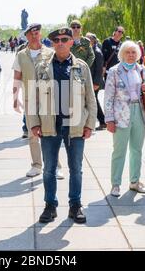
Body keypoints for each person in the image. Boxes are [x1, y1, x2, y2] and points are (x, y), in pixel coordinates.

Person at [29, 27, 97, 224]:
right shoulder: (41, 66)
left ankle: (75, 205)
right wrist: (33, 123)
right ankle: (50, 206)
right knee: (49, 168)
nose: (60, 42)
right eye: (56, 39)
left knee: (76, 168)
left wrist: (90, 125)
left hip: (75, 125)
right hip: (50, 124)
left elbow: (91, 100)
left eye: (64, 39)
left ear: (71, 42)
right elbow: (32, 97)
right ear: (51, 43)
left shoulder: (81, 66)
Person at [12, 23, 63, 179]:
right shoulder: (21, 55)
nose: (34, 36)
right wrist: (15, 99)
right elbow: (17, 78)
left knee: (51, 132)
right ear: (26, 36)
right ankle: (36, 165)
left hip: (48, 99)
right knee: (32, 134)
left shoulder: (50, 53)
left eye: (37, 33)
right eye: (31, 33)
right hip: (30, 100)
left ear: (40, 34)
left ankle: (56, 166)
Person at [104, 41, 145, 197]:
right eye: (128, 52)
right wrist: (109, 119)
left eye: (133, 52)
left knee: (136, 149)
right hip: (120, 114)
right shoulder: (114, 71)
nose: (131, 55)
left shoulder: (143, 70)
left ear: (138, 54)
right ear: (122, 54)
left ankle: (134, 181)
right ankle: (115, 184)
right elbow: (108, 97)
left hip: (139, 111)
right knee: (119, 151)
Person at [86, 32, 106, 130]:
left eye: (88, 39)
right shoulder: (90, 51)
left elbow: (99, 69)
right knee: (93, 101)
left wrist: (96, 83)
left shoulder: (97, 52)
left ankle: (102, 121)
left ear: (93, 40)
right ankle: (101, 121)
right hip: (91, 81)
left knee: (94, 102)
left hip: (95, 82)